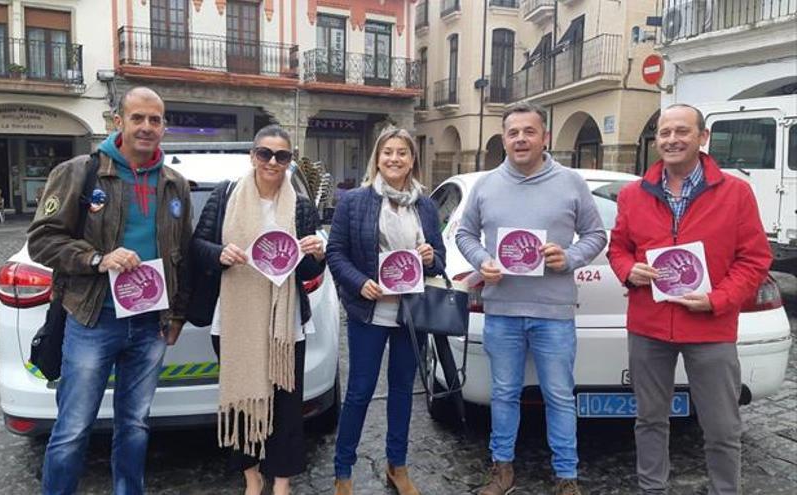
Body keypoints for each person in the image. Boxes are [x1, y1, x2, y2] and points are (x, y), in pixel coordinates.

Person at [27, 86, 193, 495]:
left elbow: (183, 254)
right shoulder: (80, 172)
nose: (147, 127)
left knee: (135, 425)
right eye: (138, 118)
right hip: (92, 319)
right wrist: (97, 258)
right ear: (118, 122)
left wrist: (178, 315)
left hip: (150, 324)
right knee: (73, 428)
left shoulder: (175, 184)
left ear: (164, 127)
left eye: (155, 120)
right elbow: (42, 240)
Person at [607, 104, 771, 495]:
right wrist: (628, 269)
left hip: (711, 327)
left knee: (722, 426)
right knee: (649, 420)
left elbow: (755, 258)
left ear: (702, 137)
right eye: (664, 133)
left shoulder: (736, 193)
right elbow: (618, 248)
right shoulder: (633, 194)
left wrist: (718, 299)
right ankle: (652, 490)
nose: (671, 140)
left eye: (682, 131)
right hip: (649, 325)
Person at [456, 102, 606, 495]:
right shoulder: (486, 185)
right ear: (503, 139)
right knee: (503, 394)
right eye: (512, 133)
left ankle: (566, 476)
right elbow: (464, 234)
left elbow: (596, 235)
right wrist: (482, 260)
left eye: (529, 131)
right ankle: (501, 468)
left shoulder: (571, 182)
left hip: (554, 312)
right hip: (502, 309)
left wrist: (569, 257)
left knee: (559, 395)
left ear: (545, 137)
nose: (520, 139)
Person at [189, 125, 326, 495]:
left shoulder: (299, 206)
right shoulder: (226, 194)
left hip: (285, 325)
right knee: (242, 400)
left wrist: (316, 254)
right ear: (253, 155)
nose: (272, 162)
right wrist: (219, 253)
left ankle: (282, 480)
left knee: (286, 406)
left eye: (281, 156)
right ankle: (251, 476)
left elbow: (310, 272)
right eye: (265, 153)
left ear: (289, 161)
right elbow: (196, 246)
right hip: (234, 320)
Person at [328, 127, 447, 495]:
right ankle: (343, 471)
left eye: (402, 153)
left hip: (410, 314)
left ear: (413, 160)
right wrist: (359, 282)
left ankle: (397, 465)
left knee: (401, 393)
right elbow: (336, 252)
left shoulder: (425, 205)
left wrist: (430, 258)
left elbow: (440, 260)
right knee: (360, 392)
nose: (395, 159)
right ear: (377, 158)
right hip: (369, 312)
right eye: (388, 152)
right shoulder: (354, 201)